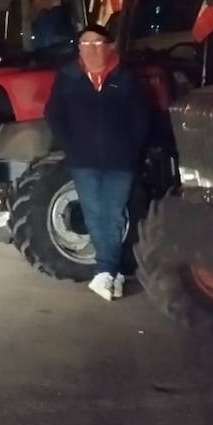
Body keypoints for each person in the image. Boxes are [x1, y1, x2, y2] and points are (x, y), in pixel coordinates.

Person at [44, 23, 150, 302]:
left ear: (109, 46)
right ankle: (109, 272)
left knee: (113, 215)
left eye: (97, 43)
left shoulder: (125, 78)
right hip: (84, 161)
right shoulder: (68, 77)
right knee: (94, 214)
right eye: (85, 44)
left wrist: (132, 148)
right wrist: (71, 146)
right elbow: (54, 114)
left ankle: (106, 271)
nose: (91, 49)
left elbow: (141, 117)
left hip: (120, 161)